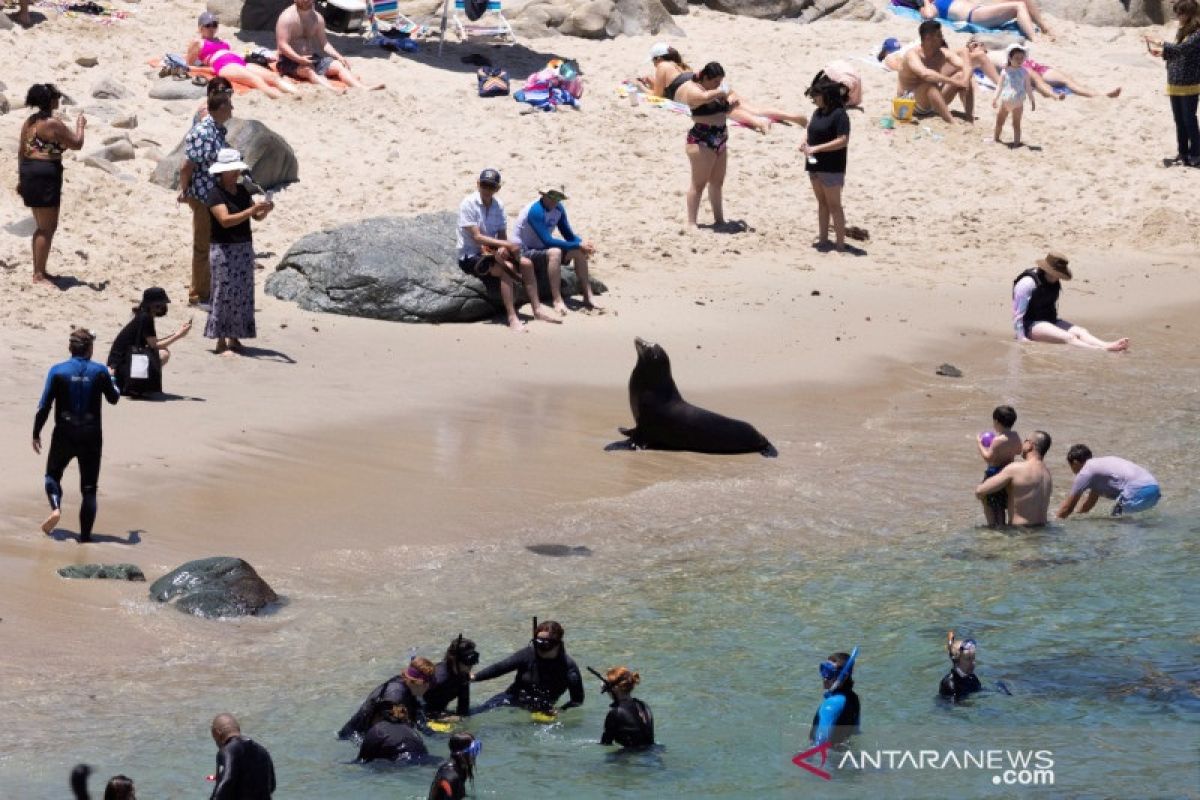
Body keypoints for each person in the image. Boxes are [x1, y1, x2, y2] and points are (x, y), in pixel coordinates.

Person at [33, 329, 120, 541]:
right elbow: (114, 398)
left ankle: (56, 508)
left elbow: (44, 406)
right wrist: (112, 377)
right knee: (89, 489)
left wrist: (36, 432)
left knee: (52, 476)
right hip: (91, 436)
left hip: (64, 432)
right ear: (90, 349)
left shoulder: (58, 371)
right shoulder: (99, 371)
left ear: (70, 348)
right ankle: (85, 538)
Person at [458, 169, 561, 332]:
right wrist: (505, 246)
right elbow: (477, 237)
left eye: (491, 186)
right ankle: (512, 317)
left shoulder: (498, 205)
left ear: (497, 188)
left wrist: (503, 248)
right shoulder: (468, 203)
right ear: (478, 184)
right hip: (472, 255)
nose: (487, 189)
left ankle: (537, 310)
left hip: (491, 251)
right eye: (484, 185)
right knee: (508, 269)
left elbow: (502, 234)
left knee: (527, 263)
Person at [638, 43, 809, 132]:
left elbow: (658, 95)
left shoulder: (662, 66)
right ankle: (792, 117)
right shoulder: (681, 65)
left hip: (701, 93)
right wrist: (652, 81)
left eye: (653, 60)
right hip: (713, 84)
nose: (654, 65)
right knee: (753, 108)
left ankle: (759, 124)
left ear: (658, 58)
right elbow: (671, 84)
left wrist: (640, 87)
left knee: (727, 111)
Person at [17, 84, 86, 285]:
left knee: (43, 226)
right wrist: (81, 124)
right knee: (47, 228)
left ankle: (40, 270)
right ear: (50, 101)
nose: (59, 100)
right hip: (45, 175)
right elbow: (77, 143)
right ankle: (39, 274)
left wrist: (21, 179)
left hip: (30, 171)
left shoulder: (29, 122)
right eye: (56, 97)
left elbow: (21, 152)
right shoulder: (51, 123)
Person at [206, 148, 272, 356]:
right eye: (232, 170)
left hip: (243, 247)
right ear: (222, 172)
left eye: (237, 170)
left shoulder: (243, 191)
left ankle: (234, 337)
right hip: (223, 249)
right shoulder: (215, 193)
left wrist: (264, 211)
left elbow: (255, 217)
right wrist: (251, 211)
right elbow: (225, 221)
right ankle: (220, 340)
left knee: (242, 293)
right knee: (223, 293)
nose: (236, 174)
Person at [1012, 252, 1129, 351]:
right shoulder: (1027, 283)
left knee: (1081, 332)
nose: (1058, 277)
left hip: (1049, 320)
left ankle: (1107, 345)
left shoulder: (1054, 280)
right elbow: (1018, 315)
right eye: (1056, 274)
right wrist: (1022, 338)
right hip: (1030, 325)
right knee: (1069, 337)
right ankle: (1101, 351)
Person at [178, 93, 233, 306]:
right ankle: (198, 295)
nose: (232, 110)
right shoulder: (203, 132)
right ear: (219, 108)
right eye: (229, 106)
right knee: (203, 245)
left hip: (214, 195)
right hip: (203, 195)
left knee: (213, 243)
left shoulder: (216, 130)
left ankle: (208, 288)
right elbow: (186, 165)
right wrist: (185, 190)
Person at [512, 187, 600, 313]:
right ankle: (557, 300)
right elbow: (547, 240)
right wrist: (577, 245)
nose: (555, 200)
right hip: (524, 251)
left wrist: (583, 244)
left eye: (559, 197)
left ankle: (588, 296)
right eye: (552, 196)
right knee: (556, 252)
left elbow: (569, 236)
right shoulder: (535, 210)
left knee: (579, 251)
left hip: (542, 249)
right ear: (543, 194)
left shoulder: (559, 209)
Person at [472, 620, 585, 715]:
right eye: (537, 643)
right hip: (511, 698)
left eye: (545, 645)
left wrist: (561, 710)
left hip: (542, 708)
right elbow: (500, 668)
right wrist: (474, 677)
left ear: (558, 644)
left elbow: (577, 700)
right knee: (477, 712)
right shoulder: (528, 654)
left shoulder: (568, 668)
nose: (540, 648)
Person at [275, 0, 380, 91]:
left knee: (338, 65)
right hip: (289, 60)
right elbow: (282, 44)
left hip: (312, 58)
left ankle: (362, 88)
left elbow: (324, 43)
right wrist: (299, 59)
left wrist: (338, 56)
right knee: (309, 71)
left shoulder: (317, 18)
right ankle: (332, 89)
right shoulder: (287, 18)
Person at [675, 62, 733, 228]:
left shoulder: (713, 90)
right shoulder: (694, 90)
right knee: (698, 183)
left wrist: (729, 105)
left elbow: (720, 111)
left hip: (720, 138)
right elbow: (703, 99)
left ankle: (719, 219)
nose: (718, 85)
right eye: (715, 81)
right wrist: (722, 91)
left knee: (717, 182)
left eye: (720, 81)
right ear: (705, 78)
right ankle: (691, 222)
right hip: (702, 140)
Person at [188, 12, 297, 99]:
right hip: (223, 65)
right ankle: (283, 99)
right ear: (200, 28)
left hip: (239, 61)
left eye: (214, 25)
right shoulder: (198, 42)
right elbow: (189, 62)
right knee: (255, 79)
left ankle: (298, 95)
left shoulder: (221, 41)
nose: (212, 28)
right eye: (208, 25)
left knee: (273, 77)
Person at [107, 287, 192, 397]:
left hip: (119, 364)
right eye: (158, 306)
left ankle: (141, 382)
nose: (161, 308)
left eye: (162, 305)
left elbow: (152, 343)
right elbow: (154, 345)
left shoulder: (143, 315)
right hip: (121, 368)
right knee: (163, 353)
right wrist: (179, 335)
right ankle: (140, 383)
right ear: (149, 305)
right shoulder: (146, 317)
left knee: (161, 351)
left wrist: (177, 333)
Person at [1144, 0, 1200, 167]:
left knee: (1189, 120)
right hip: (1175, 80)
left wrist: (1160, 42)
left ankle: (1196, 154)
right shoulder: (1184, 30)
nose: (1177, 16)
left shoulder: (1197, 33)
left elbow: (1183, 49)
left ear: (1189, 14)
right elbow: (1178, 51)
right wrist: (1161, 53)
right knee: (1179, 121)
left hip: (1189, 83)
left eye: (1180, 13)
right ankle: (1183, 153)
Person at [802, 77, 851, 253]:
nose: (813, 99)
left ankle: (840, 244)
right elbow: (810, 131)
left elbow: (843, 140)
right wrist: (805, 144)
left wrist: (817, 148)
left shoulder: (840, 115)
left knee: (834, 205)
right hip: (814, 165)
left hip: (832, 166)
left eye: (816, 95)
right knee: (822, 203)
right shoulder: (818, 113)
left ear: (826, 95)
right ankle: (823, 239)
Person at [338, 657, 439, 739]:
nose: (429, 687)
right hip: (353, 737)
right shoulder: (394, 695)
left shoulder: (408, 688)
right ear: (419, 682)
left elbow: (418, 719)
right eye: (429, 684)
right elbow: (386, 729)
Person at [898, 22, 973, 124]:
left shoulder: (943, 53)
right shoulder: (912, 54)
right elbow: (925, 74)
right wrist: (955, 82)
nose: (942, 38)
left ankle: (969, 117)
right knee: (929, 85)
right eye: (939, 35)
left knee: (961, 76)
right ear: (929, 38)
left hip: (934, 101)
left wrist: (964, 80)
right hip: (908, 104)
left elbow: (965, 66)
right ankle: (952, 122)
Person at [974, 430, 1053, 526]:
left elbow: (980, 491)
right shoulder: (1047, 473)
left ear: (1030, 445)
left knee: (987, 494)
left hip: (1019, 533)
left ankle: (995, 530)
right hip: (1042, 531)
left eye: (1026, 440)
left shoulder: (1016, 468)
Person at [1058, 446, 1162, 518]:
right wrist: (1078, 516)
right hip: (1154, 490)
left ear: (1075, 463)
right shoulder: (1099, 468)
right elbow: (1090, 503)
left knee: (1115, 525)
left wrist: (1052, 525)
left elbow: (1067, 508)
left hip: (1138, 492)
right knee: (1118, 517)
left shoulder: (1085, 472)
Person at [209, 713, 275, 799]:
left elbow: (226, 782)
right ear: (238, 729)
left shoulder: (227, 751)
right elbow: (272, 785)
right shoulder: (263, 751)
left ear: (217, 732)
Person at [914, 0, 1053, 41]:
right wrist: (925, 1)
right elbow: (928, 16)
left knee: (1023, 0)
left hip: (982, 9)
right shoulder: (933, 6)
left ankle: (1044, 27)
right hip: (975, 16)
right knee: (1018, 6)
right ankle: (1034, 38)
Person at [978, 405, 1021, 527]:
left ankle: (992, 526)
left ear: (996, 421)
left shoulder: (998, 440)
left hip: (994, 473)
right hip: (1008, 472)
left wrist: (979, 444)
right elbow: (1019, 451)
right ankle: (1001, 525)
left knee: (988, 502)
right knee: (1001, 504)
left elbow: (988, 457)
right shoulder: (1015, 436)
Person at [809, 650, 860, 748]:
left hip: (828, 759)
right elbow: (855, 732)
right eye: (823, 670)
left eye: (829, 673)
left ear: (843, 676)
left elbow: (820, 744)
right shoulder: (854, 698)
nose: (825, 677)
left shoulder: (831, 705)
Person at [597, 666, 655, 749]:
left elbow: (606, 743)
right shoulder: (644, 705)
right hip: (654, 752)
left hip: (632, 757)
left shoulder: (615, 713)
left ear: (615, 689)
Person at [424, 636, 479, 720]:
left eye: (474, 659)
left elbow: (463, 710)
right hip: (423, 715)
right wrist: (438, 717)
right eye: (468, 660)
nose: (471, 665)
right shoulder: (438, 678)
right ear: (454, 659)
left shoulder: (463, 676)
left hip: (439, 712)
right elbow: (416, 703)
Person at [357, 703, 429, 763]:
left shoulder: (376, 730)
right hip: (424, 759)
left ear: (377, 716)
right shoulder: (411, 730)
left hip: (400, 763)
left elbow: (362, 760)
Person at [993, 44, 1035, 145]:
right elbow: (999, 86)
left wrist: (1032, 100)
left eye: (1021, 58)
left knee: (1016, 123)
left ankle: (1016, 142)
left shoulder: (1024, 72)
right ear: (1010, 58)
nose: (1019, 60)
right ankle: (996, 138)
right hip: (1005, 101)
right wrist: (994, 98)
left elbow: (1028, 88)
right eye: (1016, 58)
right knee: (999, 121)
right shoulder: (1005, 71)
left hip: (1018, 102)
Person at [427, 732, 480, 800]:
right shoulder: (451, 777)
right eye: (474, 751)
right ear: (462, 754)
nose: (475, 755)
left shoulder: (458, 769)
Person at [939, 632, 983, 701]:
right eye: (968, 659)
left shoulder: (972, 678)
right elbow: (953, 709)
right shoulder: (949, 684)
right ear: (957, 662)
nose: (973, 662)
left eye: (973, 658)